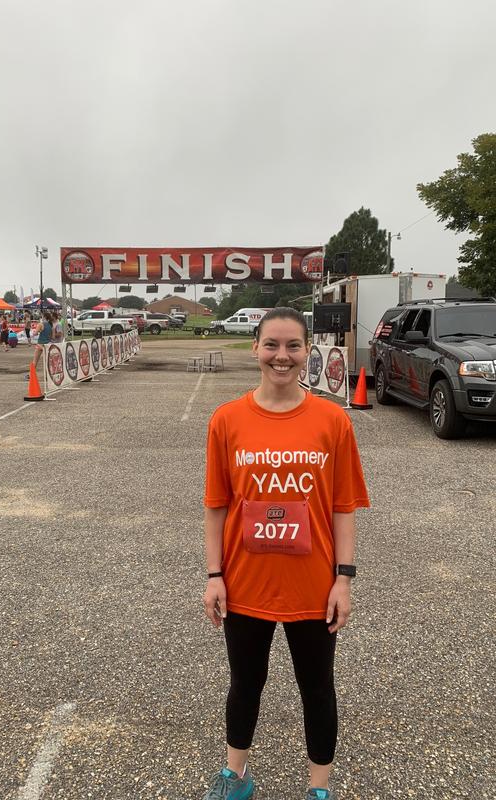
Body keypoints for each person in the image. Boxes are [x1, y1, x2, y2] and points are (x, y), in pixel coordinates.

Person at [202, 307, 370, 800]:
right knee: (244, 685)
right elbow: (217, 506)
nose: (282, 356)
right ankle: (236, 778)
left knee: (317, 690)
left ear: (307, 351)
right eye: (272, 345)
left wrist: (344, 579)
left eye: (293, 346)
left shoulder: (332, 420)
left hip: (313, 587)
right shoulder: (227, 420)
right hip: (245, 582)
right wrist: (215, 575)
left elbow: (343, 508)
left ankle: (319, 789)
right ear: (255, 348)